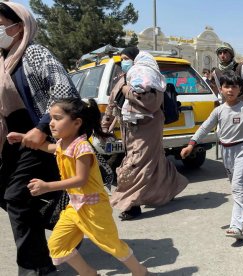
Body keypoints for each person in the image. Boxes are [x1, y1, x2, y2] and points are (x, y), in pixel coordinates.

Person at [7, 98, 150, 276]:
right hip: (74, 207)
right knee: (57, 245)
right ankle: (89, 273)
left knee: (111, 244)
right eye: (50, 118)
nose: (51, 123)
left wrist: (47, 186)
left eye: (57, 118)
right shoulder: (62, 144)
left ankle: (141, 272)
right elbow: (48, 147)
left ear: (76, 123)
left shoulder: (82, 148)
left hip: (94, 208)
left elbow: (80, 180)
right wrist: (23, 137)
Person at [0, 2, 79, 275]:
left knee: (17, 198)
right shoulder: (3, 61)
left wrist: (43, 126)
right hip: (12, 144)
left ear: (18, 26)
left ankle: (36, 267)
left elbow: (64, 89)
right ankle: (67, 224)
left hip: (39, 142)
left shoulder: (33, 53)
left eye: (0, 24)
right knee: (12, 196)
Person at [102, 47, 188, 220]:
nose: (123, 61)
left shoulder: (147, 78)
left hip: (148, 127)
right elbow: (113, 100)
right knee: (155, 160)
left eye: (126, 58)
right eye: (122, 59)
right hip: (130, 129)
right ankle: (171, 188)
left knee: (136, 163)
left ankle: (131, 204)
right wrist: (106, 123)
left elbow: (150, 103)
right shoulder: (124, 78)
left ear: (135, 59)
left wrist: (127, 90)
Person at [181, 71, 243, 240]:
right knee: (240, 184)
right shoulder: (218, 111)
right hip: (226, 151)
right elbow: (205, 127)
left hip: (241, 150)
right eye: (226, 86)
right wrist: (192, 143)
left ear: (240, 89)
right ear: (221, 89)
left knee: (237, 186)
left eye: (234, 86)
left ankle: (236, 225)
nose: (230, 90)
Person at [211, 42, 243, 178]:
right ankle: (232, 166)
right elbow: (220, 91)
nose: (222, 55)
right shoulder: (216, 71)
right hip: (227, 107)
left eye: (225, 52)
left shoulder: (240, 67)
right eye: (220, 53)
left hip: (242, 105)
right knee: (222, 133)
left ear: (231, 54)